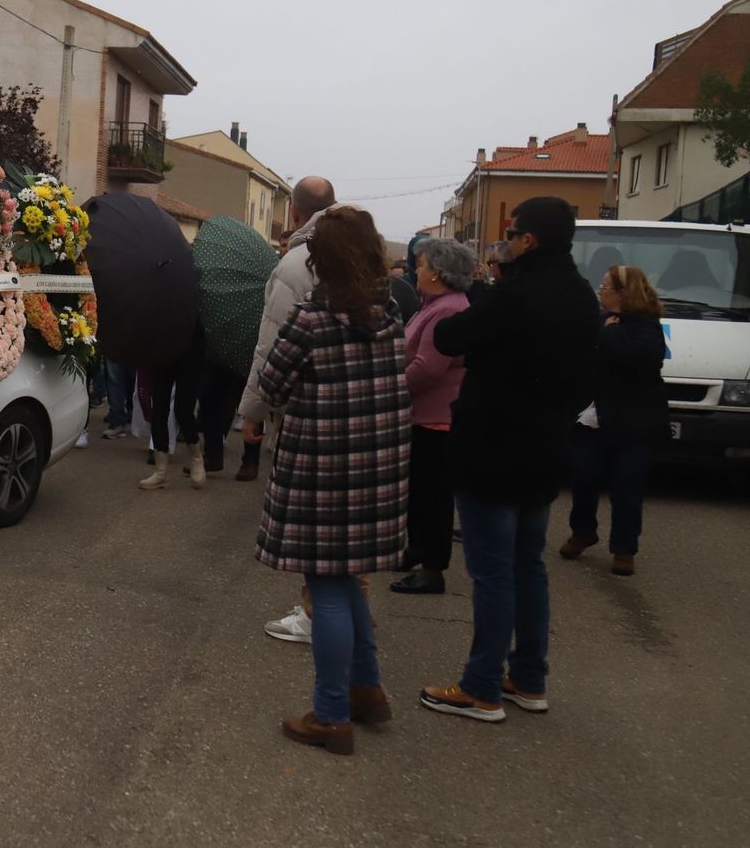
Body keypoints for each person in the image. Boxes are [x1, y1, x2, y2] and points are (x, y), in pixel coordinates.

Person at [420, 197, 599, 722]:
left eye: (512, 233)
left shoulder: (515, 294)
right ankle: (527, 678)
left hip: (492, 449)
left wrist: (488, 296)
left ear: (529, 242)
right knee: (529, 566)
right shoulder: (583, 296)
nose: (505, 241)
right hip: (545, 448)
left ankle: (480, 688)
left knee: (493, 572)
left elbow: (449, 335)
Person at [249, 206, 410, 756]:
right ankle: (366, 690)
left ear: (322, 259)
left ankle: (331, 713)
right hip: (377, 471)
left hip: (323, 471)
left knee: (328, 590)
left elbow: (271, 385)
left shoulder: (312, 323)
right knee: (349, 583)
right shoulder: (390, 320)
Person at [242, 176, 339, 642]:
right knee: (341, 531)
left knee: (316, 526)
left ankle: (318, 615)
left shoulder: (295, 265)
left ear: (296, 215)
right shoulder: (363, 261)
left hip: (308, 410)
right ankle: (345, 611)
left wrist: (253, 412)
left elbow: (272, 343)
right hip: (361, 413)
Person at [562, 265, 668, 578]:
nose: (600, 289)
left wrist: (610, 333)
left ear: (623, 293)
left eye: (606, 285)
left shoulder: (647, 326)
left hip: (634, 419)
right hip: (594, 415)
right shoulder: (597, 320)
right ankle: (583, 531)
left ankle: (624, 549)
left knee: (627, 485)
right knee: (583, 474)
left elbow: (642, 358)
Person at [391, 238, 476, 596]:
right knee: (419, 492)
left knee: (432, 497)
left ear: (438, 273)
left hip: (436, 418)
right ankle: (417, 548)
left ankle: (432, 568)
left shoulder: (447, 310)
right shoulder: (436, 304)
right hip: (424, 415)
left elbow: (428, 367)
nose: (417, 271)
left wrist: (390, 388)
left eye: (422, 265)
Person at [137, 325, 207, 490]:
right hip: (161, 348)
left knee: (183, 410)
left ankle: (196, 459)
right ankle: (160, 471)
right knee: (159, 409)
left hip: (190, 349)